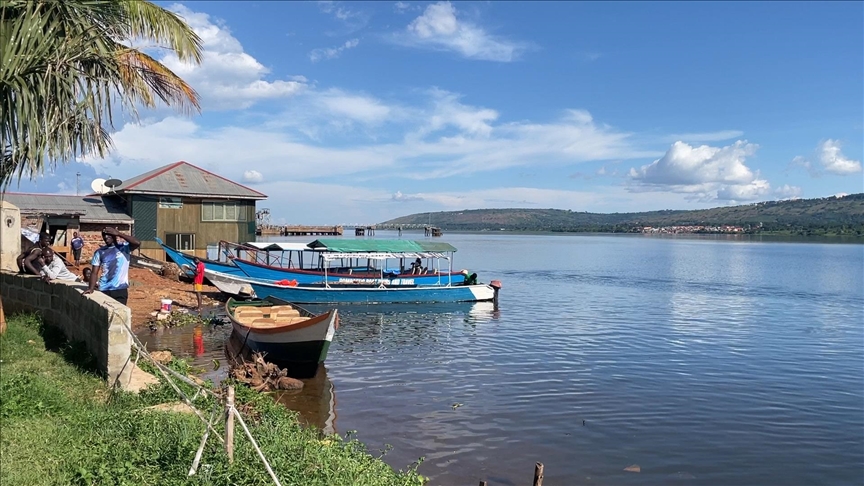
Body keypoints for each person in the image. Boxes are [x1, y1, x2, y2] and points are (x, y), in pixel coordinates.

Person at [83, 227, 140, 305]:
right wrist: (91, 288)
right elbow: (94, 272)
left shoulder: (124, 248)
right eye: (104, 235)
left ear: (114, 235)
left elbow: (137, 243)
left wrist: (119, 233)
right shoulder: (99, 252)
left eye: (108, 235)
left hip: (120, 289)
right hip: (104, 289)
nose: (106, 237)